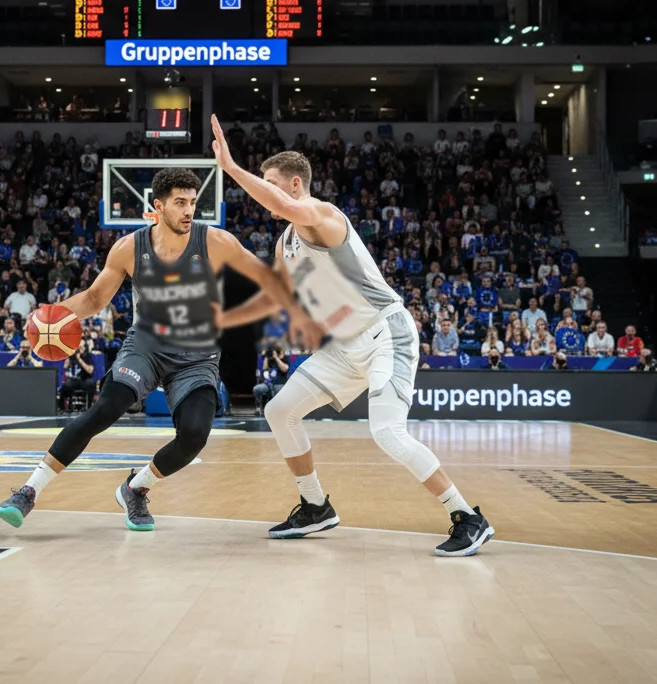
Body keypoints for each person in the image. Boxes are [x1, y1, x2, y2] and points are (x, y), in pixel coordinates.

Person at [206, 115, 493, 557]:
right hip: (343, 346)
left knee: (387, 433)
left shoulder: (323, 215)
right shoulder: (285, 241)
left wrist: (231, 168)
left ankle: (467, 517)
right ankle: (316, 505)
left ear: (295, 184)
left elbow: (285, 210)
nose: (262, 192)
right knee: (281, 409)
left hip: (385, 333)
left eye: (270, 183)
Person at [0, 167, 316, 532]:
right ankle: (28, 491)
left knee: (195, 435)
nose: (188, 211)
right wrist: (48, 317)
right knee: (106, 409)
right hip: (145, 347)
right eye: (180, 202)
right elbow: (96, 298)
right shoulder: (130, 247)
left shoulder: (215, 242)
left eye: (193, 202)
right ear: (158, 205)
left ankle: (135, 488)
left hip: (198, 355)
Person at [58, 340, 97, 410]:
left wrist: (79, 359)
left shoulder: (87, 356)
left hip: (84, 379)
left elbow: (90, 371)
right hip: (73, 380)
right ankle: (63, 407)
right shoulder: (72, 356)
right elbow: (65, 367)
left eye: (80, 347)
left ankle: (89, 406)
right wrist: (70, 354)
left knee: (91, 383)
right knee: (65, 385)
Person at [253, 342, 289, 414]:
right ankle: (262, 407)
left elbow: (285, 369)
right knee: (257, 389)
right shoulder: (269, 358)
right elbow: (264, 369)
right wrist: (267, 357)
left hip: (280, 384)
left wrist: (276, 358)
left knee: (277, 390)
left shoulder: (284, 358)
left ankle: (278, 409)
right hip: (269, 384)